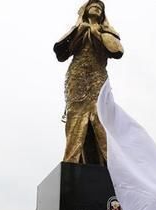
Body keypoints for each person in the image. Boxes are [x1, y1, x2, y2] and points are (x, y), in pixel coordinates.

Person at [54, 0, 124, 165]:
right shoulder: (78, 30)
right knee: (75, 115)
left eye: (100, 7)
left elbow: (116, 50)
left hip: (97, 78)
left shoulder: (106, 31)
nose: (97, 7)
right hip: (77, 78)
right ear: (84, 10)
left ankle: (110, 162)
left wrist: (97, 32)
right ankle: (71, 160)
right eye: (93, 5)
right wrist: (80, 30)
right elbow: (61, 53)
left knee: (100, 116)